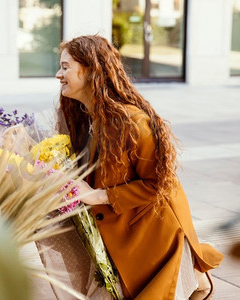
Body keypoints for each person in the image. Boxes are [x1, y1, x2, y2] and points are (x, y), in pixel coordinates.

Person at [55, 35, 223, 299]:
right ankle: (195, 278)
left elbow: (159, 183)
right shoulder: (82, 118)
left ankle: (193, 274)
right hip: (122, 233)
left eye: (65, 67)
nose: (58, 74)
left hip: (154, 235)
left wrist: (97, 195)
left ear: (90, 70)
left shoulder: (132, 122)